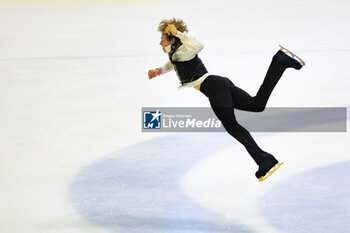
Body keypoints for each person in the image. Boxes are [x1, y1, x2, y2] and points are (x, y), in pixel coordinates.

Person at [148, 18, 305, 181]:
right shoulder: (177, 52)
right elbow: (173, 63)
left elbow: (199, 46)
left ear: (172, 39)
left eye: (162, 40)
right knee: (256, 104)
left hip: (214, 88)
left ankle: (264, 160)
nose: (160, 43)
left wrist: (179, 33)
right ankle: (280, 62)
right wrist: (158, 71)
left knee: (231, 125)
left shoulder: (185, 49)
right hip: (218, 84)